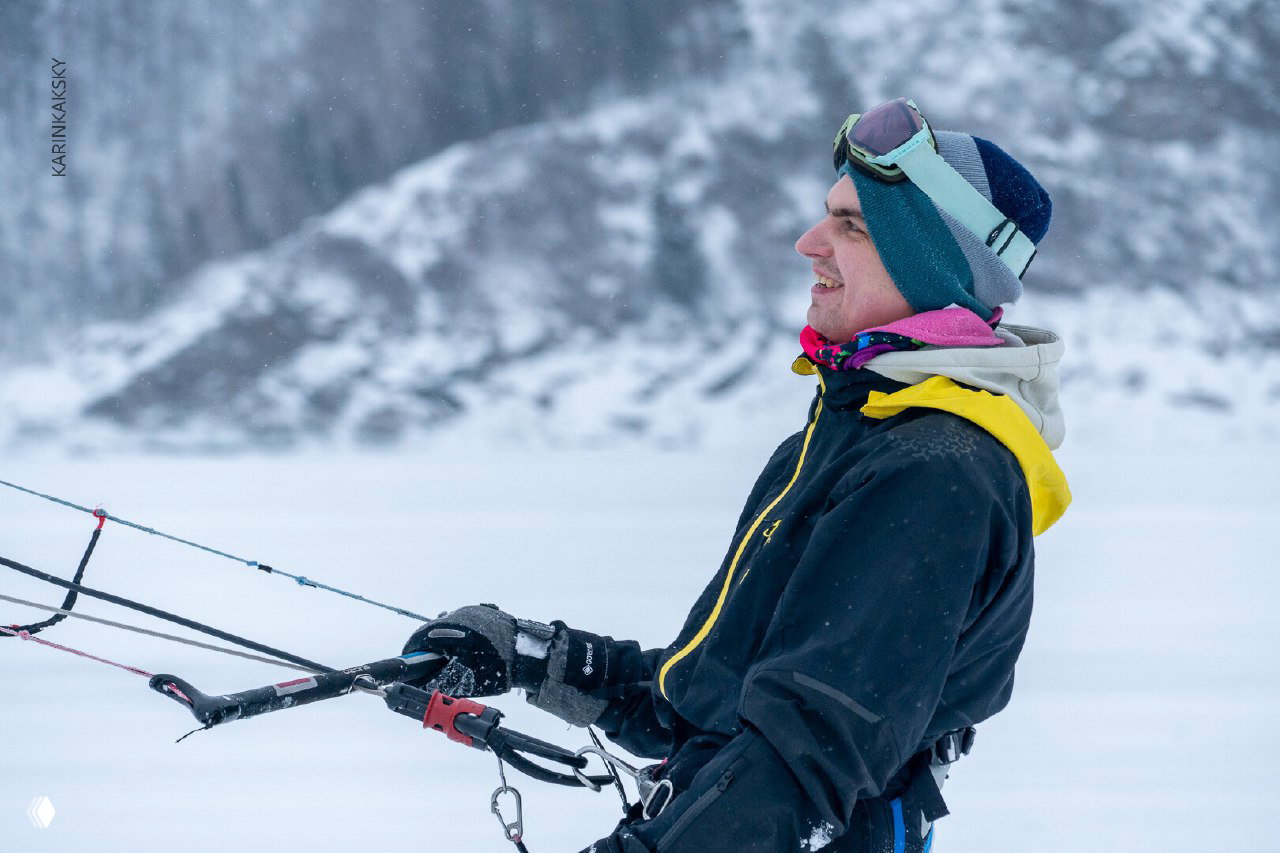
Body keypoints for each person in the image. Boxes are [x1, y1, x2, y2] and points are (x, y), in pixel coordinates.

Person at [403, 98, 1071, 852]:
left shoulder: (935, 472)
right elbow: (715, 697)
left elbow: (800, 762)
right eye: (829, 215)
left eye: (853, 225)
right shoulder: (842, 438)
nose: (809, 242)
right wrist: (541, 656)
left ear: (932, 266)